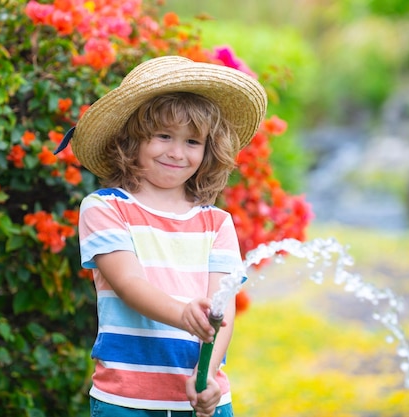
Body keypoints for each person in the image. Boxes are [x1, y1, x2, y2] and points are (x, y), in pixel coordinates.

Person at [55, 55, 267, 417]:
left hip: (204, 400)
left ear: (208, 150)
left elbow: (222, 309)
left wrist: (209, 376)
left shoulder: (216, 223)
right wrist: (182, 313)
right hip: (127, 401)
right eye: (163, 136)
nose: (176, 152)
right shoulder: (106, 208)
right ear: (131, 140)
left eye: (192, 142)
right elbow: (128, 282)